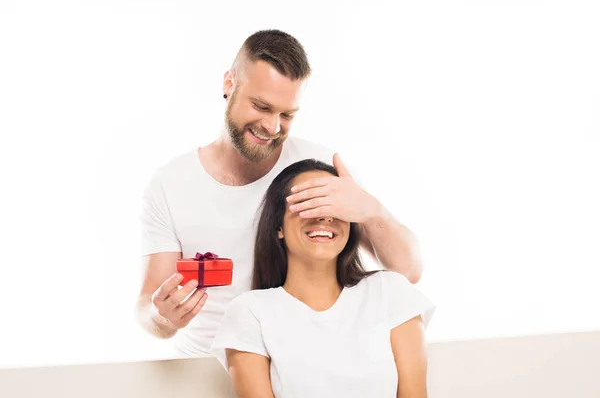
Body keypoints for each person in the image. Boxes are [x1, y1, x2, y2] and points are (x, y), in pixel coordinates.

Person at [136, 29, 425, 356]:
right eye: (261, 106)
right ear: (229, 84)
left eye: (286, 115)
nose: (273, 127)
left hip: (296, 368)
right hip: (202, 364)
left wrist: (371, 210)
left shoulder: (318, 170)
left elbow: (409, 270)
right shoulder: (170, 184)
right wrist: (163, 317)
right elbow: (147, 307)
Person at [211, 159, 435, 397]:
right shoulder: (249, 313)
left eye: (335, 206)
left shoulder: (391, 293)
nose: (324, 216)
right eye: (308, 203)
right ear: (279, 226)